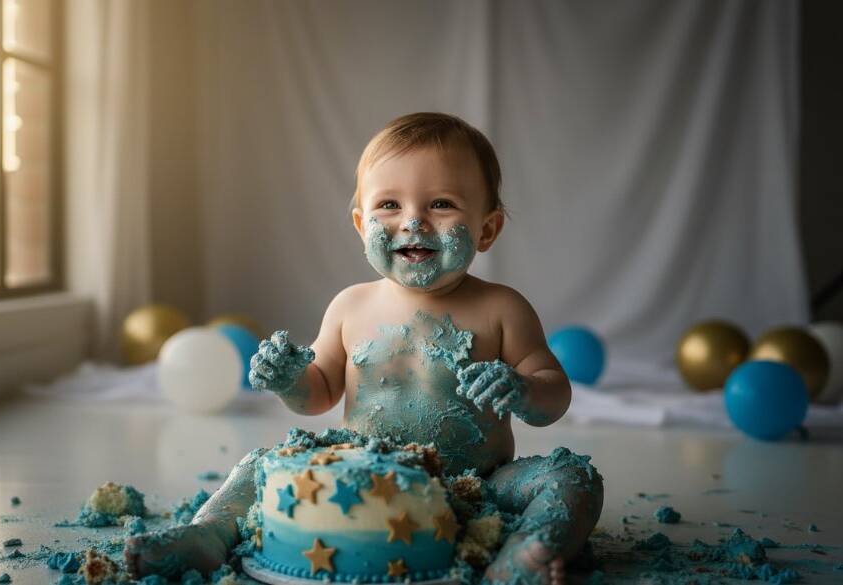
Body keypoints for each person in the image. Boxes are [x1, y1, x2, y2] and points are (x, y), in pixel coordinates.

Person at [126, 112, 603, 584]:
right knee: (257, 467)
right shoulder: (350, 306)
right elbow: (320, 393)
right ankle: (207, 534)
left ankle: (524, 554)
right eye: (390, 205)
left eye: (440, 204)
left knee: (572, 479)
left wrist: (523, 390)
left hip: (477, 487)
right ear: (360, 223)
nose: (413, 221)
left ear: (486, 228)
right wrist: (291, 380)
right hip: (355, 476)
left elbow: (554, 392)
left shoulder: (503, 309)